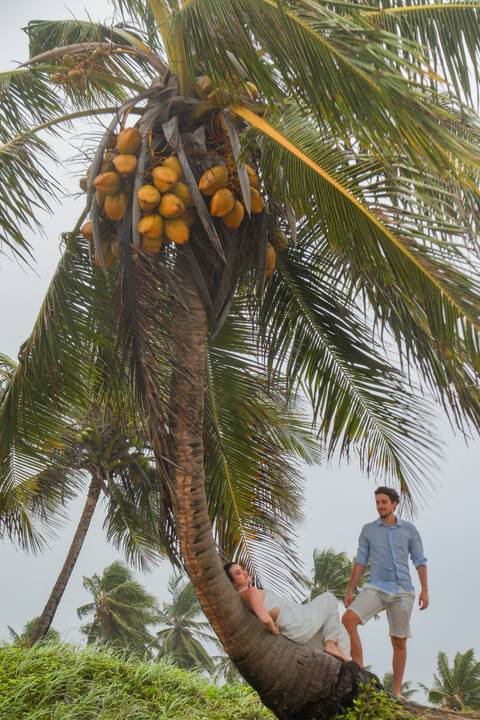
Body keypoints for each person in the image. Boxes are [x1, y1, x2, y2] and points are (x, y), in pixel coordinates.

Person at [342, 486, 428, 698]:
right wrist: (351, 588)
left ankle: (397, 692)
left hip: (403, 592)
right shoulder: (369, 530)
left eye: (384, 502)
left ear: (394, 504)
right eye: (377, 503)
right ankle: (359, 671)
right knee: (348, 619)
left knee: (399, 641)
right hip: (376, 587)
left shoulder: (409, 530)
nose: (380, 506)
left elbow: (419, 560)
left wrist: (425, 590)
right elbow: (361, 560)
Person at [224, 561, 349, 661]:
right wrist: (273, 628)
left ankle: (345, 661)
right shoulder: (250, 592)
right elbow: (265, 618)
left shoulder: (243, 602)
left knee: (338, 630)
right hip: (300, 621)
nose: (245, 572)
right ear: (233, 584)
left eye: (242, 569)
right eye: (238, 573)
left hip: (294, 632)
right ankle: (330, 645)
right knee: (329, 598)